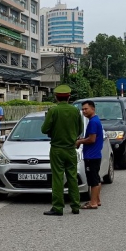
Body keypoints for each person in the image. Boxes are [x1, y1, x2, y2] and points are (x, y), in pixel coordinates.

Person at [41, 85, 83, 216]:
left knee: (58, 177)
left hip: (57, 149)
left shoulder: (53, 111)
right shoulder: (75, 111)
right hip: (71, 149)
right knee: (72, 177)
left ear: (56, 97)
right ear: (69, 97)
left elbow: (44, 129)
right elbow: (80, 130)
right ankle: (75, 206)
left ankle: (58, 207)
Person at [76, 100, 104, 210]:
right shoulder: (95, 120)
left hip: (91, 155)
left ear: (93, 108)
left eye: (86, 109)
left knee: (92, 180)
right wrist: (83, 139)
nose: (83, 111)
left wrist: (79, 142)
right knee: (96, 178)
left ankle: (93, 203)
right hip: (96, 154)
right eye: (82, 109)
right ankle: (97, 199)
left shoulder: (93, 122)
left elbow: (92, 139)